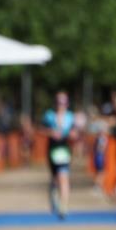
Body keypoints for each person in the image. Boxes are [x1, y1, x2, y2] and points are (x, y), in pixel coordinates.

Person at [41, 91, 76, 219]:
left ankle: (64, 207)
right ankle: (53, 195)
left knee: (64, 177)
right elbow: (41, 129)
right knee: (55, 178)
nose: (61, 105)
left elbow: (75, 132)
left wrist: (72, 135)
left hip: (64, 149)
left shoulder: (70, 117)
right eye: (58, 102)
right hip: (52, 150)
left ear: (67, 104)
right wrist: (51, 132)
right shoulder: (48, 116)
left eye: (63, 102)